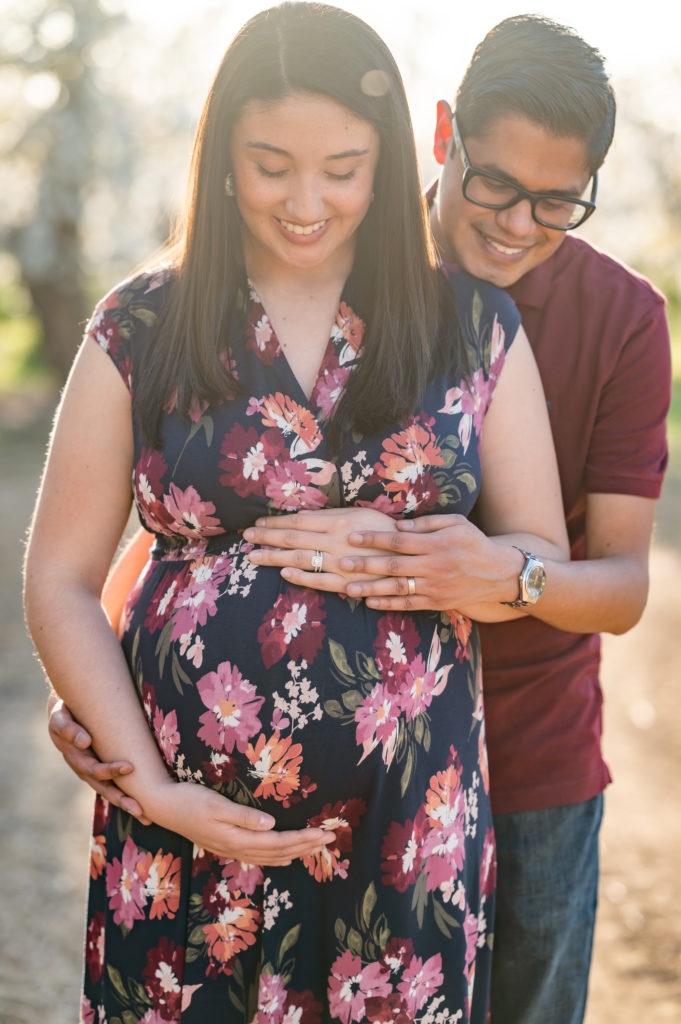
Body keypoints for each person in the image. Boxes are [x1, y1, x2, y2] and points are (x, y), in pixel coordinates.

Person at [25, 5, 569, 1023]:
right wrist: (154, 786)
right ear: (224, 154)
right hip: (185, 832)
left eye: (345, 168)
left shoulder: (473, 327)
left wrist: (420, 556)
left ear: (389, 159)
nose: (308, 200)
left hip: (409, 830)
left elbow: (540, 548)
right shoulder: (139, 323)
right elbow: (57, 576)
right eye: (273, 164)